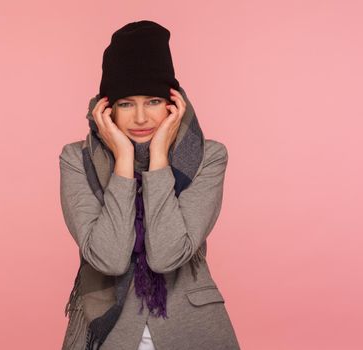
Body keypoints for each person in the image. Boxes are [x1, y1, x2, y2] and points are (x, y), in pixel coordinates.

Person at [59, 20, 241, 350]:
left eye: (153, 101)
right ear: (107, 109)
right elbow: (109, 259)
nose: (141, 118)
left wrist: (158, 159)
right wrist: (124, 162)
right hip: (106, 336)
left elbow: (167, 255)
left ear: (173, 103)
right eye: (127, 103)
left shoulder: (207, 157)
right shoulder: (77, 159)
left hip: (193, 331)